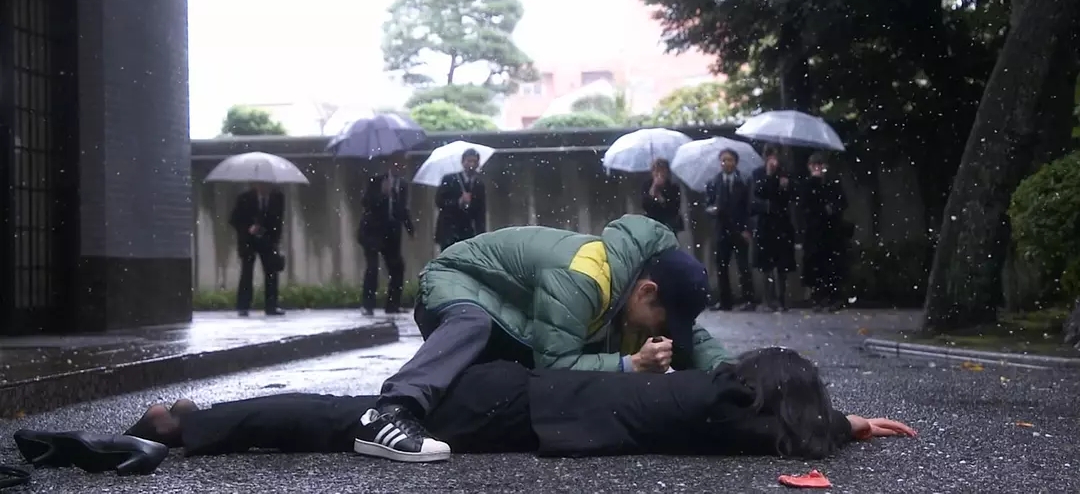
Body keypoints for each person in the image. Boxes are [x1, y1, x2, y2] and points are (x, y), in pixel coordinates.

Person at [351, 214, 728, 462]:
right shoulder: (584, 275)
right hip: (457, 281)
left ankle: (432, 415)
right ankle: (389, 412)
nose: (656, 334)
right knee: (474, 325)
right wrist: (632, 363)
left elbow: (691, 337)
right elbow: (557, 366)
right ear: (646, 292)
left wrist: (735, 376)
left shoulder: (635, 286)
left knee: (498, 385)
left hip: (512, 313)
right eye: (659, 321)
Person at [120, 347, 915, 462]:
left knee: (344, 416)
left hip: (517, 396)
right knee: (345, 421)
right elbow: (766, 433)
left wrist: (843, 421)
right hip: (513, 400)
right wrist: (840, 424)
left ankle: (193, 422)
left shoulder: (721, 392)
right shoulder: (724, 397)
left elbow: (760, 427)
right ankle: (191, 425)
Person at [357, 154, 415, 315]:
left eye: (402, 164)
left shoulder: (402, 185)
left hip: (391, 233)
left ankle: (392, 305)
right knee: (372, 268)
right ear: (389, 164)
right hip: (372, 232)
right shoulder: (376, 181)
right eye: (396, 163)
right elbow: (366, 203)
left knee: (397, 268)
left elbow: (403, 210)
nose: (399, 167)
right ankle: (367, 305)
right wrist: (382, 194)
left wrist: (410, 228)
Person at [704, 149, 756, 311]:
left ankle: (749, 299)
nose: (726, 163)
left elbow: (749, 207)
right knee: (721, 266)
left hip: (739, 230)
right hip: (722, 229)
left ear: (735, 162)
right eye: (724, 160)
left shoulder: (744, 180)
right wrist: (712, 209)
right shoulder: (714, 182)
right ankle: (726, 301)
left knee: (743, 266)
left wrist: (747, 229)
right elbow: (708, 204)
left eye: (730, 160)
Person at [798, 152, 850, 312]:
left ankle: (833, 298)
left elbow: (842, 202)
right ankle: (818, 297)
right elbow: (804, 205)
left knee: (831, 266)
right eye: (814, 166)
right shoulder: (808, 184)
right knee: (815, 266)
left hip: (831, 232)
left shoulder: (833, 183)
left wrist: (832, 208)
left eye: (820, 165)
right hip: (814, 232)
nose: (818, 169)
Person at [750, 145, 797, 312]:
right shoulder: (758, 174)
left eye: (775, 157)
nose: (773, 160)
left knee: (782, 265)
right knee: (766, 266)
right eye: (770, 156)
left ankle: (782, 299)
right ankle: (769, 300)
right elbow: (757, 194)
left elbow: (791, 197)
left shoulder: (785, 174)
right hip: (765, 225)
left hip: (782, 224)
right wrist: (769, 176)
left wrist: (785, 186)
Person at [228, 182, 286, 317]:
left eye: (266, 185)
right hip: (248, 241)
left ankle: (271, 306)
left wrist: (273, 239)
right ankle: (243, 306)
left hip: (268, 239)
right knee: (247, 272)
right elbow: (234, 219)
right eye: (261, 185)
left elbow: (278, 220)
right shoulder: (244, 198)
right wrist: (249, 227)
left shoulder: (278, 198)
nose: (264, 187)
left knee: (271, 273)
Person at [434, 148, 486, 251]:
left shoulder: (479, 184)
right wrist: (458, 202)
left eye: (475, 161)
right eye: (469, 161)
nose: (471, 164)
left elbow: (481, 212)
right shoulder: (450, 179)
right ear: (463, 162)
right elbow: (439, 201)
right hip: (449, 230)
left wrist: (482, 235)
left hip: (467, 231)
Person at [641, 158, 684, 233]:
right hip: (652, 222)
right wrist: (654, 187)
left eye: (662, 170)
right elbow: (645, 204)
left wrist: (662, 199)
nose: (659, 174)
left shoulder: (673, 187)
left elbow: (674, 208)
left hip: (669, 222)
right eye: (656, 171)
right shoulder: (647, 185)